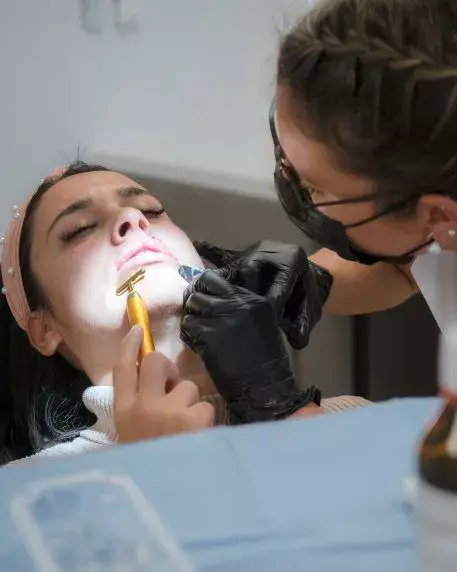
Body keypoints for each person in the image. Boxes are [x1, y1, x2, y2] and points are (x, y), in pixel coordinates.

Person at [0, 162, 367, 465]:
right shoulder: (29, 491)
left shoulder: (354, 420)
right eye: (79, 230)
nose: (132, 218)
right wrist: (156, 468)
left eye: (151, 210)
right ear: (44, 329)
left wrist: (278, 410)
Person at [183, 0, 457, 365]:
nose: (291, 184)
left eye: (315, 188)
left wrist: (277, 408)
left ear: (439, 214)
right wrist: (307, 284)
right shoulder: (435, 221)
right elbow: (409, 267)